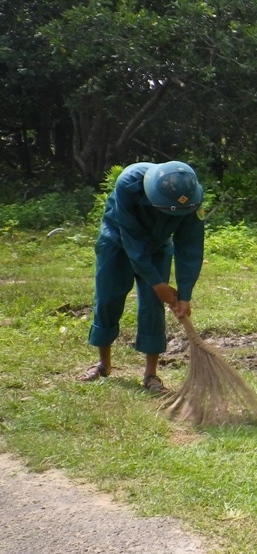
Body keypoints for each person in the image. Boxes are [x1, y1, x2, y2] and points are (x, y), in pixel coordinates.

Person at [76, 161, 205, 394]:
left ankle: (150, 375)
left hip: (157, 247)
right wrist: (157, 282)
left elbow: (190, 247)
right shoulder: (128, 183)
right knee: (107, 298)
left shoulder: (190, 195)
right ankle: (103, 365)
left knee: (152, 306)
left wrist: (184, 295)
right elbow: (131, 240)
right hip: (116, 242)